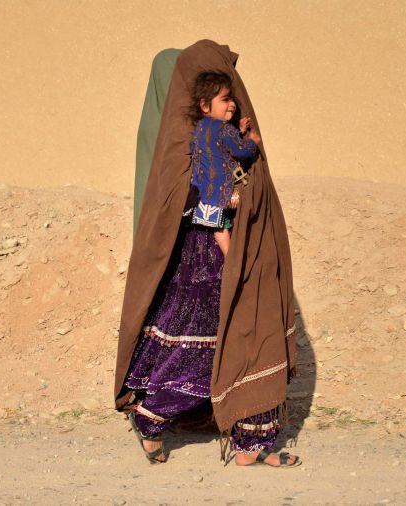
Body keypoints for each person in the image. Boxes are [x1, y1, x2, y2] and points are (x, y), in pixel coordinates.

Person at [114, 40, 300, 468]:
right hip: (201, 256)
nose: (232, 102)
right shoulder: (181, 136)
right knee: (210, 342)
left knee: (253, 332)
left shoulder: (203, 127)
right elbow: (171, 204)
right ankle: (153, 416)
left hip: (234, 244)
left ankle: (254, 442)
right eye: (223, 96)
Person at [186, 70, 261, 257]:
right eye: (225, 100)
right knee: (222, 228)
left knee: (214, 230)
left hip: (202, 193)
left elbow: (219, 147)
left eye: (232, 100)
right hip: (221, 192)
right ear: (205, 105)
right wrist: (252, 142)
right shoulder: (223, 129)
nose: (232, 105)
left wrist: (239, 130)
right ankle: (232, 261)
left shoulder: (200, 128)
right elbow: (240, 150)